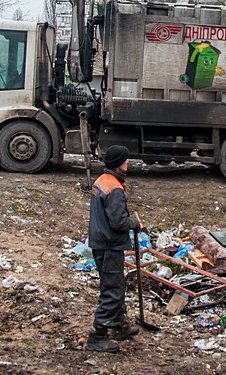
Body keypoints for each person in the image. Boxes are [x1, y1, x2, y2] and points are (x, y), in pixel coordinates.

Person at [84, 145, 141, 353]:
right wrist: (133, 223)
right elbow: (118, 222)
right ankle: (97, 335)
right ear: (119, 163)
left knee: (115, 284)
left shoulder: (102, 181)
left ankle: (119, 325)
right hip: (109, 244)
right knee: (113, 289)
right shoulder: (114, 189)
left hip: (100, 242)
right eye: (126, 160)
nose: (128, 162)